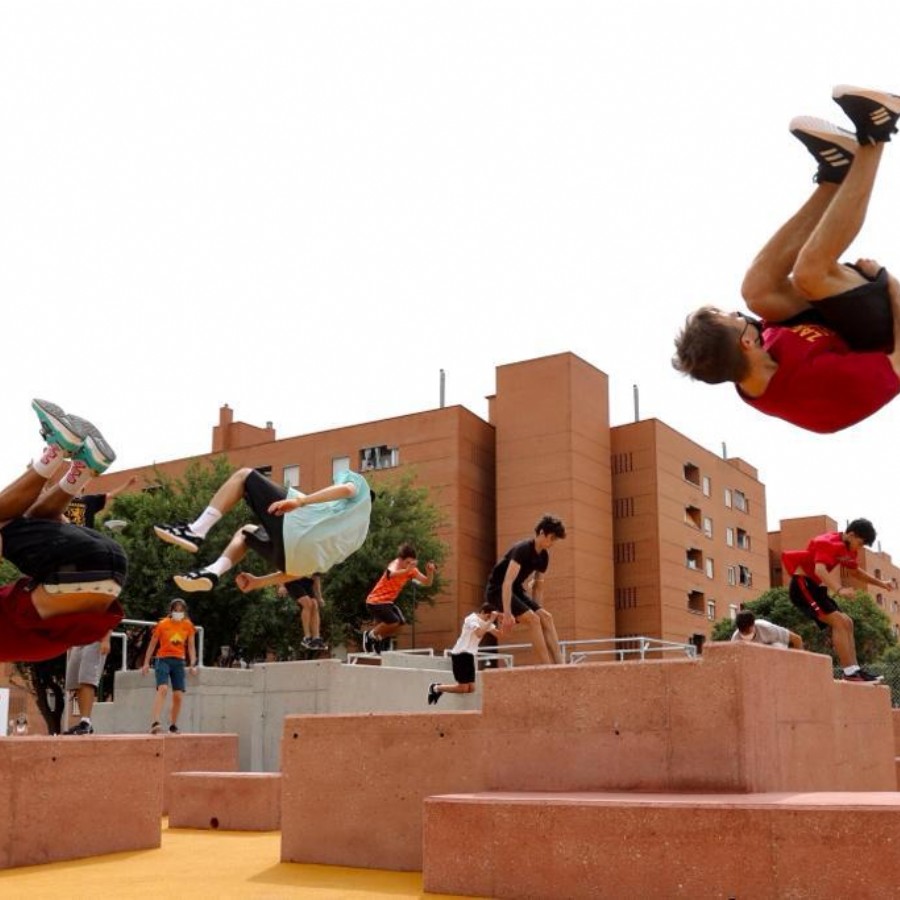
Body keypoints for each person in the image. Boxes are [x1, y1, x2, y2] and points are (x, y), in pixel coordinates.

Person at [673, 85, 900, 433]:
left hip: (840, 326)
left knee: (758, 291)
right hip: (887, 335)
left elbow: (767, 298)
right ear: (746, 341)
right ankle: (877, 130)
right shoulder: (814, 389)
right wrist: (890, 282)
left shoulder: (750, 358)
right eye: (734, 318)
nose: (739, 313)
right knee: (810, 273)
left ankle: (836, 175)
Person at [0, 400, 127, 663]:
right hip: (76, 566)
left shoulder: (31, 640)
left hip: (111, 568)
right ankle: (56, 450)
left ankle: (82, 469)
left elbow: (53, 524)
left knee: (32, 518)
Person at [152, 467, 371, 594]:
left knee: (244, 476)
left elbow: (346, 489)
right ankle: (213, 572)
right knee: (247, 532)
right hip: (294, 561)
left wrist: (301, 501)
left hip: (296, 527)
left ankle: (195, 530)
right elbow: (303, 571)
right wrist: (259, 582)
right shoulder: (357, 537)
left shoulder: (359, 487)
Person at [781, 518, 893, 682]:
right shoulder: (826, 542)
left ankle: (855, 670)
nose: (859, 548)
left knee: (847, 622)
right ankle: (849, 672)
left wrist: (881, 584)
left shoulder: (848, 550)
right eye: (860, 544)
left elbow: (855, 572)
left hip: (816, 588)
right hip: (802, 586)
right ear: (851, 535)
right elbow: (820, 570)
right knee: (839, 622)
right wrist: (839, 590)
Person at [485, 514, 566, 665]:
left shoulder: (544, 556)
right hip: (497, 590)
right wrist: (508, 614)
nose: (553, 542)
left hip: (516, 590)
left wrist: (537, 609)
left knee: (546, 617)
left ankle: (561, 664)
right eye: (552, 538)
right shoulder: (522, 549)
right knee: (534, 620)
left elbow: (538, 587)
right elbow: (507, 582)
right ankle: (547, 666)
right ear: (542, 533)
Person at [360, 544, 436, 654]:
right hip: (375, 601)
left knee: (400, 623)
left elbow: (427, 583)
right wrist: (406, 571)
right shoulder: (395, 564)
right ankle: (370, 635)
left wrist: (430, 572)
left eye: (412, 563)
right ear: (401, 560)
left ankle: (377, 637)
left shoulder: (412, 570)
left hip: (387, 602)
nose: (409, 565)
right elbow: (390, 574)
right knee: (393, 621)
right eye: (407, 562)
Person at [141, 598, 198, 734]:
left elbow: (191, 645)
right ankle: (155, 722)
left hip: (179, 661)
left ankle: (173, 724)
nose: (178, 612)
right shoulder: (162, 624)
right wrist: (146, 662)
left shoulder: (188, 625)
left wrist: (193, 664)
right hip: (163, 659)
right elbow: (153, 643)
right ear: (171, 611)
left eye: (180, 610)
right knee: (163, 689)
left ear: (184, 611)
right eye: (175, 610)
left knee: (178, 695)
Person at [427, 603, 500, 704]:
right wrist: (491, 620)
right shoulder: (471, 619)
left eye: (490, 617)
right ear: (482, 612)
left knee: (471, 689)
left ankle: (438, 688)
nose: (488, 619)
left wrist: (507, 620)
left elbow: (500, 634)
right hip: (460, 654)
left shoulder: (486, 622)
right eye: (488, 616)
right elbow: (479, 634)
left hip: (469, 656)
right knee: (463, 688)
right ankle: (435, 687)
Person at [63, 632, 112, 735]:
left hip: (96, 637)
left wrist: (106, 639)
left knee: (86, 679)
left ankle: (86, 721)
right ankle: (83, 722)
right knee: (76, 682)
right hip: (78, 640)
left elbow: (111, 616)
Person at [64, 475, 138, 529]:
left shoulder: (89, 500)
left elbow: (111, 495)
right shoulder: (62, 503)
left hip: (86, 540)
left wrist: (128, 484)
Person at [279, 575, 327, 652]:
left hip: (307, 583)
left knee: (314, 604)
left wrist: (319, 597)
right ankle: (306, 637)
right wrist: (281, 585)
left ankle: (316, 638)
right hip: (292, 581)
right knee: (307, 603)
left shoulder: (316, 565)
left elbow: (317, 579)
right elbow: (282, 568)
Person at [730, 609, 803, 649]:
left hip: (775, 653)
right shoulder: (735, 638)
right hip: (756, 660)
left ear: (753, 625)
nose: (745, 635)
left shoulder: (767, 629)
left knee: (776, 646)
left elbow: (797, 639)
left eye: (747, 631)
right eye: (742, 632)